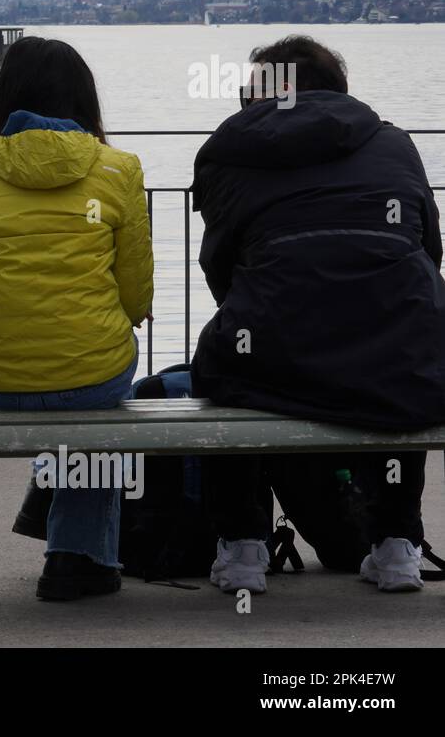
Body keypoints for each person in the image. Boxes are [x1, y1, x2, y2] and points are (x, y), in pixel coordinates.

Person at [186, 35, 445, 594]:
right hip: (397, 342)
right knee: (413, 352)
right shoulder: (394, 144)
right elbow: (428, 251)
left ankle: (242, 552)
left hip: (272, 345)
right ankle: (397, 547)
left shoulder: (228, 153)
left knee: (222, 377)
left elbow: (220, 270)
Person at [0, 36, 153, 600]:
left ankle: (75, 543)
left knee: (71, 390)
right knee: (94, 395)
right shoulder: (119, 168)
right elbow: (135, 292)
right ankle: (75, 557)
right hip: (92, 373)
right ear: (85, 100)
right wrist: (118, 320)